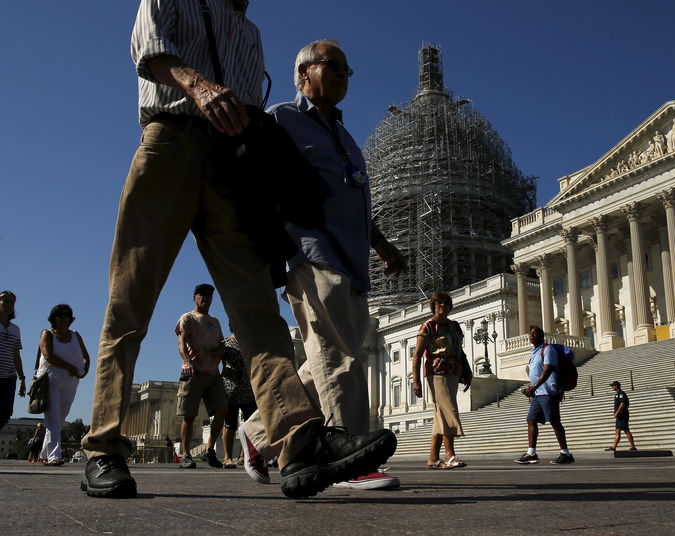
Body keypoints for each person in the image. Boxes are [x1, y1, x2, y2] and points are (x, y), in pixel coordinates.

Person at [80, 1, 396, 500]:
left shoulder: (249, 32)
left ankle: (298, 440)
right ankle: (103, 447)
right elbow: (150, 50)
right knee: (130, 302)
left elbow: (249, 110)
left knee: (257, 311)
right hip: (171, 141)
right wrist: (199, 86)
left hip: (232, 168)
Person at [239, 39, 406, 491]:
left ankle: (257, 433)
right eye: (332, 66)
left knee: (322, 362)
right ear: (303, 73)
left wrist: (383, 247)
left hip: (352, 260)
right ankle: (351, 458)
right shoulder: (281, 119)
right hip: (310, 250)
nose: (341, 76)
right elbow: (256, 183)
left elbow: (353, 200)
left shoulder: (348, 137)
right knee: (340, 355)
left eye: (347, 71)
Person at [412, 291, 472, 470]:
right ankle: (450, 455)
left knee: (441, 414)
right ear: (433, 306)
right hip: (436, 373)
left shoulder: (454, 326)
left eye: (446, 303)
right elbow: (417, 356)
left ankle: (433, 458)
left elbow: (459, 351)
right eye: (438, 303)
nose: (442, 306)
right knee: (448, 410)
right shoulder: (428, 326)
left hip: (453, 372)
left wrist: (467, 371)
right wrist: (416, 380)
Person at [175, 284, 227, 469]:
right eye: (202, 294)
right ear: (194, 297)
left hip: (213, 372)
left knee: (222, 410)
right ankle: (185, 453)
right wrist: (188, 361)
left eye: (209, 295)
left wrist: (219, 353)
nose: (206, 297)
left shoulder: (215, 321)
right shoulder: (187, 318)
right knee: (189, 415)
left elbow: (222, 343)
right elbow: (181, 342)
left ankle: (209, 449)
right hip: (193, 372)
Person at [37, 304, 91, 466]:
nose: (63, 319)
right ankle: (54, 456)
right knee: (53, 417)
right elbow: (48, 356)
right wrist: (72, 368)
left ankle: (45, 453)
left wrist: (84, 370)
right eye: (60, 315)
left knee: (60, 419)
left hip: (70, 382)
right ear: (54, 318)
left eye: (67, 315)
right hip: (50, 380)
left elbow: (85, 356)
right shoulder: (47, 334)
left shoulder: (76, 335)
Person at [514, 326, 575, 465]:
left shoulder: (548, 349)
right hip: (538, 393)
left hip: (549, 391)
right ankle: (531, 453)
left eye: (534, 334)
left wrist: (534, 386)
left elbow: (548, 370)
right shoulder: (534, 352)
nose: (531, 336)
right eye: (530, 334)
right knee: (531, 420)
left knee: (554, 421)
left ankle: (566, 453)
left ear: (541, 337)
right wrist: (530, 388)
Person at [219, 329, 257, 470]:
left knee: (250, 423)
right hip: (230, 388)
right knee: (230, 424)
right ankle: (228, 457)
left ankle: (243, 455)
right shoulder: (226, 343)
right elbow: (217, 360)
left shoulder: (250, 342)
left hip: (248, 388)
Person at [0, 290, 25, 431]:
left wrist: (22, 377)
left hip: (9, 377)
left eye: (12, 302)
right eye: (5, 300)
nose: (9, 304)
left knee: (6, 413)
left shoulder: (15, 329)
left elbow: (16, 355)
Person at [604, 381, 637, 452]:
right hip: (619, 416)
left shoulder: (621, 393)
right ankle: (613, 447)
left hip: (622, 415)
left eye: (612, 386)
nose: (612, 387)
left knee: (626, 430)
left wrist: (617, 412)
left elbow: (622, 404)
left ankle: (633, 447)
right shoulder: (617, 394)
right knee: (617, 431)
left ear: (616, 386)